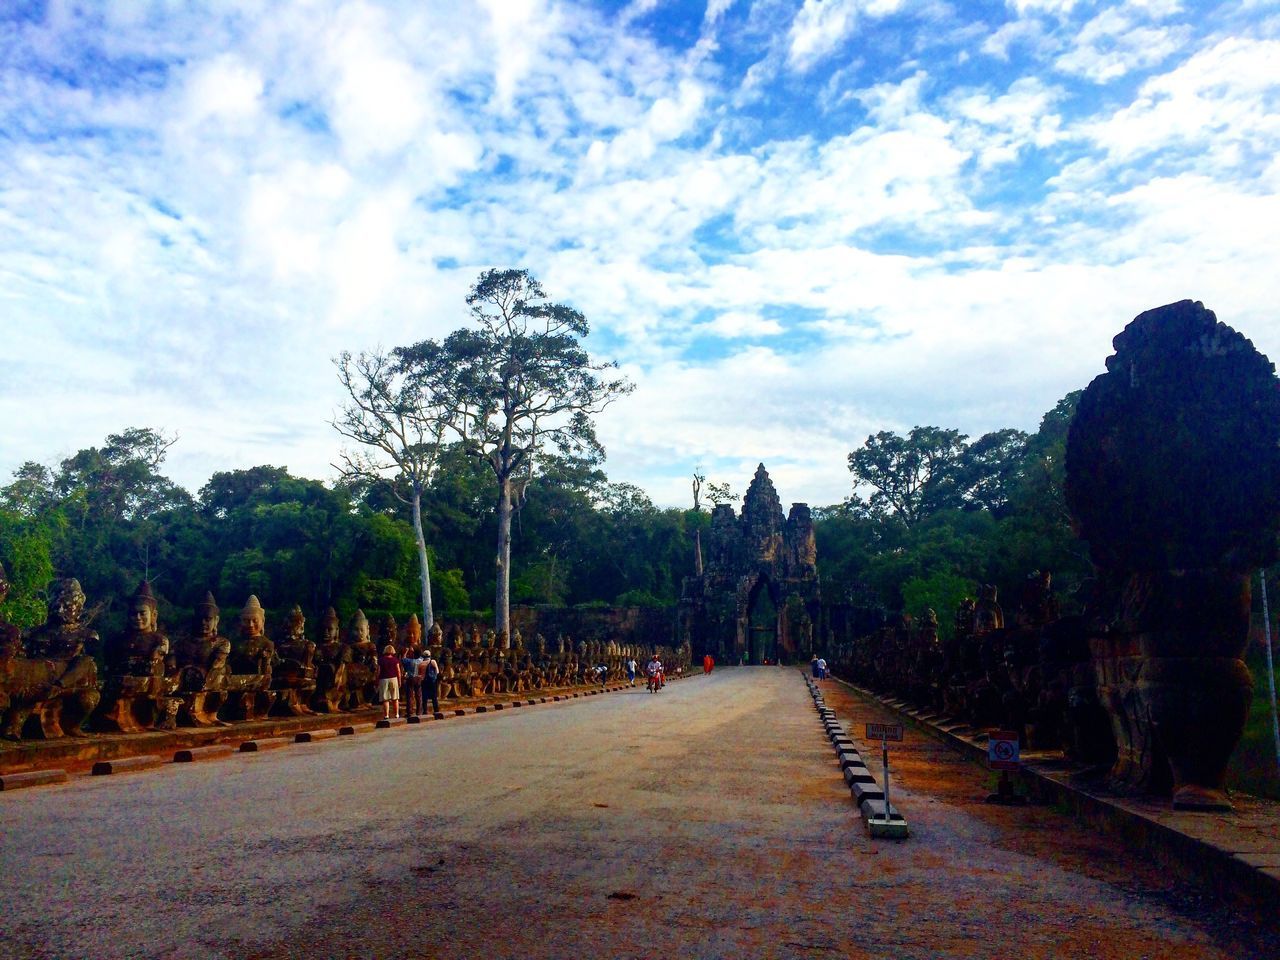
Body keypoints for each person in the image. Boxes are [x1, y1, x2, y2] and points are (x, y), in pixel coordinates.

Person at [376, 644, 402, 720]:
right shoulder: (395, 660)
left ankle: (386, 715)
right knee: (395, 697)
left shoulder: (381, 660)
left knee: (385, 698)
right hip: (394, 679)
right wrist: (399, 680)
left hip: (383, 679)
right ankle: (396, 714)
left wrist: (376, 680)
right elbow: (398, 671)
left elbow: (378, 671)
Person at [404, 647, 424, 717]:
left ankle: (410, 711)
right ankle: (419, 711)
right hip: (418, 678)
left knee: (410, 695)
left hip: (411, 678)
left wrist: (406, 652)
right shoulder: (421, 660)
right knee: (418, 695)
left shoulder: (410, 661)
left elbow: (403, 659)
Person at [420, 648, 440, 715]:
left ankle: (425, 710)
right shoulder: (432, 661)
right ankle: (436, 710)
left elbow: (419, 673)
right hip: (432, 681)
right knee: (434, 696)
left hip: (423, 681)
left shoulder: (421, 663)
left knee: (424, 697)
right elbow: (437, 671)